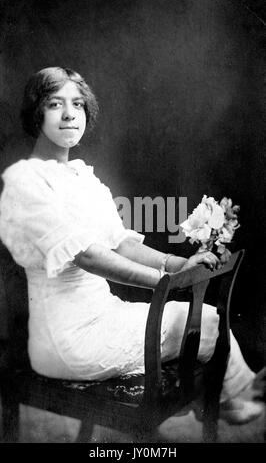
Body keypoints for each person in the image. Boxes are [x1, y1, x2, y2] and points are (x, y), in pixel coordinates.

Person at [0, 67, 263, 427]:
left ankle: (225, 398)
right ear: (35, 112)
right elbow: (87, 254)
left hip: (104, 314)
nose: (69, 114)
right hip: (66, 340)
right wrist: (165, 283)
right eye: (54, 104)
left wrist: (178, 264)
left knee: (204, 321)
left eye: (77, 103)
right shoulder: (25, 181)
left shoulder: (84, 178)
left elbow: (120, 243)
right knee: (204, 322)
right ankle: (227, 399)